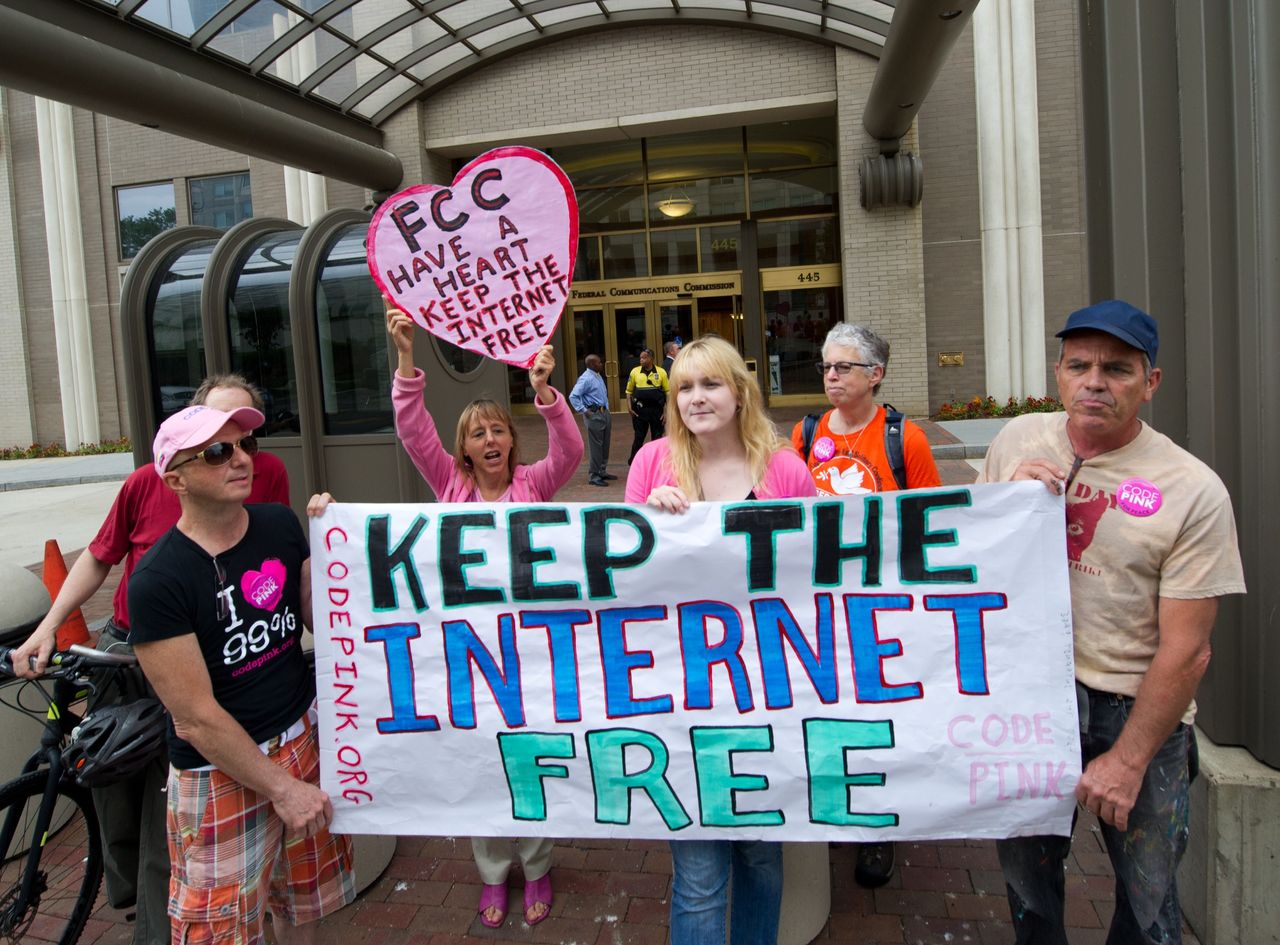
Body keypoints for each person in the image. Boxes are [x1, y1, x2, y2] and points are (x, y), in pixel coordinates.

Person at [977, 299, 1245, 944]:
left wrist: (1128, 760)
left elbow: (1189, 651)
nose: (1095, 381)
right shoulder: (1017, 440)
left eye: (1118, 369)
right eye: (1080, 365)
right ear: (1059, 373)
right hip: (1034, 703)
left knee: (1149, 902)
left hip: (1135, 709)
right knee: (1028, 884)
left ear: (1150, 383)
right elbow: (969, 563)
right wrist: (1004, 497)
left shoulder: (1190, 488)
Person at [11, 374, 290, 945]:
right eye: (216, 441)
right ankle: (126, 893)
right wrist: (46, 627)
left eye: (246, 440)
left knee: (172, 796)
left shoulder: (266, 479)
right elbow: (99, 555)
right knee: (112, 779)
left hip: (208, 655)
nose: (236, 454)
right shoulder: (144, 483)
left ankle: (161, 924)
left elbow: (277, 562)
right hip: (126, 648)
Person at [126, 402, 354, 945]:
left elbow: (318, 621)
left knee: (304, 905)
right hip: (220, 772)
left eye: (245, 445)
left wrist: (333, 543)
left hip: (304, 741)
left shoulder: (278, 524)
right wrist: (281, 788)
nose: (240, 459)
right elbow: (196, 719)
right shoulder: (157, 580)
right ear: (174, 477)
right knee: (219, 930)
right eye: (216, 452)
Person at [385, 296, 582, 925]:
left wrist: (547, 395)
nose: (491, 438)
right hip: (467, 650)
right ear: (463, 450)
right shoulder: (449, 487)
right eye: (478, 432)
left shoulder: (535, 485)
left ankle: (538, 864)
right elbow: (414, 430)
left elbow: (572, 452)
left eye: (499, 429)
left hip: (529, 651)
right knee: (478, 760)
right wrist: (408, 359)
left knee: (526, 759)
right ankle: (494, 873)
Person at [625, 336, 816, 945]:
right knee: (700, 870)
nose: (696, 398)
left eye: (710, 385)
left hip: (769, 694)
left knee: (761, 857)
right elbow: (621, 584)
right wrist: (643, 526)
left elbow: (816, 580)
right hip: (683, 697)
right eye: (683, 387)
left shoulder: (784, 468)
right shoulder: (651, 462)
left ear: (739, 393)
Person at [789, 322, 940, 888]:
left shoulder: (907, 440)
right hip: (819, 604)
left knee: (878, 716)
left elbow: (931, 521)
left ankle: (878, 830)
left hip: (880, 605)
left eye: (843, 367)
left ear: (875, 375)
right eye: (826, 365)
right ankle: (834, 806)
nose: (830, 375)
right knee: (827, 711)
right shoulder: (806, 434)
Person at [568, 353, 615, 487]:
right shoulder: (586, 378)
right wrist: (584, 410)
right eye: (599, 362)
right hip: (594, 415)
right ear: (592, 364)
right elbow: (573, 396)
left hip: (603, 413)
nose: (601, 364)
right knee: (596, 446)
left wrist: (607, 409)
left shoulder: (597, 375)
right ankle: (594, 475)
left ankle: (602, 470)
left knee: (605, 444)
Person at [626, 347, 669, 463]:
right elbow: (629, 392)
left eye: (644, 358)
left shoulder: (661, 372)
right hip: (640, 410)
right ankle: (634, 462)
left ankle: (657, 462)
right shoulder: (635, 372)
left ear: (651, 358)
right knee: (639, 437)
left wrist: (666, 412)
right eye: (640, 358)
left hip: (656, 410)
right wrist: (629, 407)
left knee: (657, 437)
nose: (641, 360)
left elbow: (667, 393)